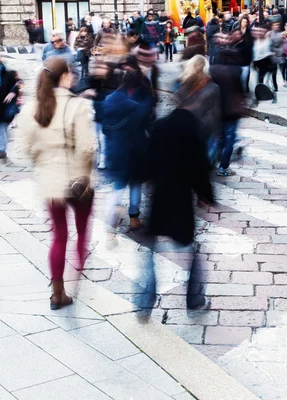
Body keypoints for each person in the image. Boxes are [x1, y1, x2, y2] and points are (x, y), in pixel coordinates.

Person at [19, 56, 97, 310]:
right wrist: (84, 174)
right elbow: (86, 148)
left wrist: (44, 161)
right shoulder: (78, 106)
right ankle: (77, 276)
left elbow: (26, 148)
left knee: (59, 235)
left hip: (50, 182)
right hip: (78, 180)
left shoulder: (31, 107)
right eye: (71, 72)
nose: (74, 76)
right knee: (83, 231)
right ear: (63, 76)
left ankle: (58, 292)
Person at [149, 108, 214, 309]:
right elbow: (200, 169)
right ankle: (194, 299)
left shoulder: (158, 128)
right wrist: (207, 195)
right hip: (181, 202)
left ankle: (145, 299)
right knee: (189, 251)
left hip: (158, 200)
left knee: (149, 251)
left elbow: (145, 162)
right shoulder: (193, 131)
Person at [95, 56, 154, 233]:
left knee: (118, 184)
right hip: (136, 147)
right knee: (135, 182)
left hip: (116, 148)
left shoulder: (109, 100)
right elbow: (147, 121)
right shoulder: (140, 101)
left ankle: (111, 214)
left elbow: (104, 127)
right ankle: (134, 218)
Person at [171, 55, 221, 166]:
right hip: (203, 130)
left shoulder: (180, 86)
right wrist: (216, 132)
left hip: (184, 128)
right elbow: (215, 113)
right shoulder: (213, 88)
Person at [210, 49, 245, 177]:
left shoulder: (213, 70)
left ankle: (214, 160)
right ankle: (223, 166)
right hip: (231, 110)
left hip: (216, 108)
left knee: (219, 137)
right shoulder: (236, 71)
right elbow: (241, 90)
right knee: (230, 138)